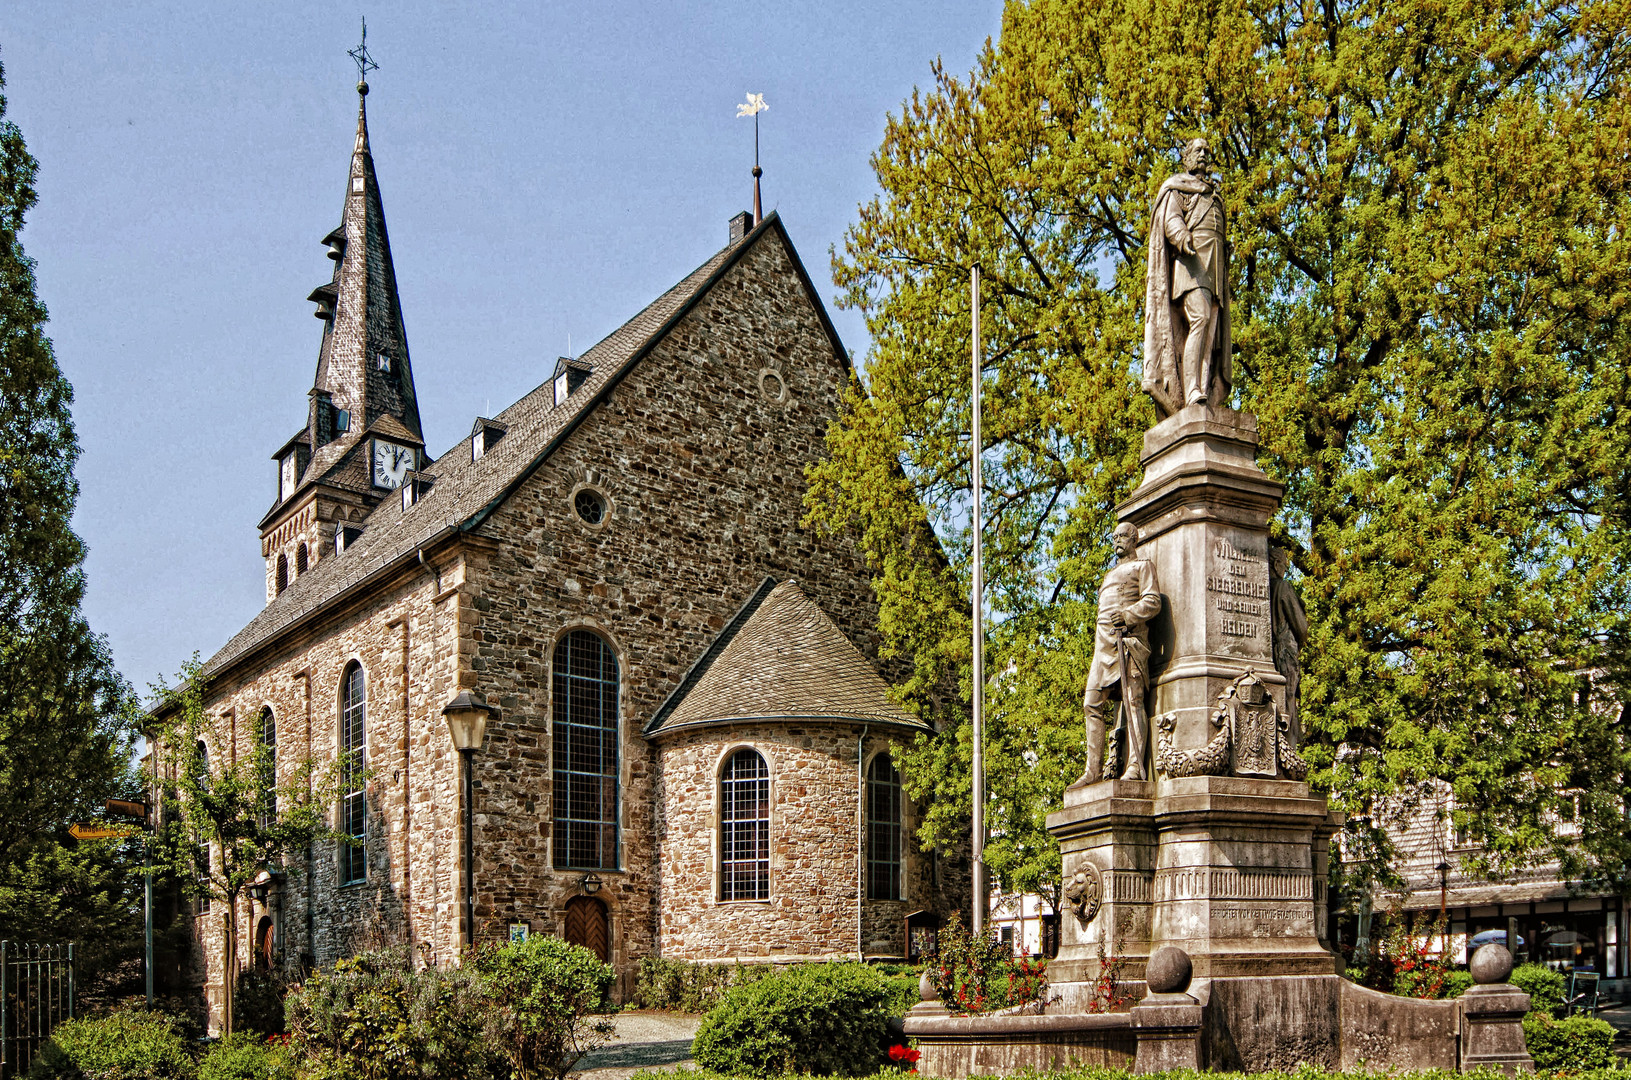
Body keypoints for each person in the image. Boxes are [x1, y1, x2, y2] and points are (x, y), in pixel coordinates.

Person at [1143, 138, 1232, 418]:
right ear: (1187, 158)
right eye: (1198, 151)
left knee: (1210, 334)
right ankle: (1191, 389)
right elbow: (1171, 220)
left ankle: (1202, 389)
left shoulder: (1214, 195)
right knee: (1200, 319)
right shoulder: (1178, 188)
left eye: (1207, 151)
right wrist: (1182, 238)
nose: (1204, 155)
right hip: (1191, 264)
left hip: (1214, 268)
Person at [1078, 522, 1163, 784]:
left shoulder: (1143, 566)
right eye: (1113, 537)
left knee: (1133, 701)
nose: (1117, 540)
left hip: (1128, 642)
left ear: (1134, 539)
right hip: (1103, 647)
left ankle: (1136, 767)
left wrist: (1127, 615)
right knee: (1091, 702)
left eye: (1122, 536)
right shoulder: (1107, 575)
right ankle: (1092, 771)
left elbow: (1153, 601)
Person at [1269, 545, 1309, 744]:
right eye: (1284, 565)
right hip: (1285, 652)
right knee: (1289, 701)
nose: (1285, 569)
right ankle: (1289, 747)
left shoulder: (1263, 589)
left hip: (1270, 654)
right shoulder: (1283, 587)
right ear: (1276, 564)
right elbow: (1302, 628)